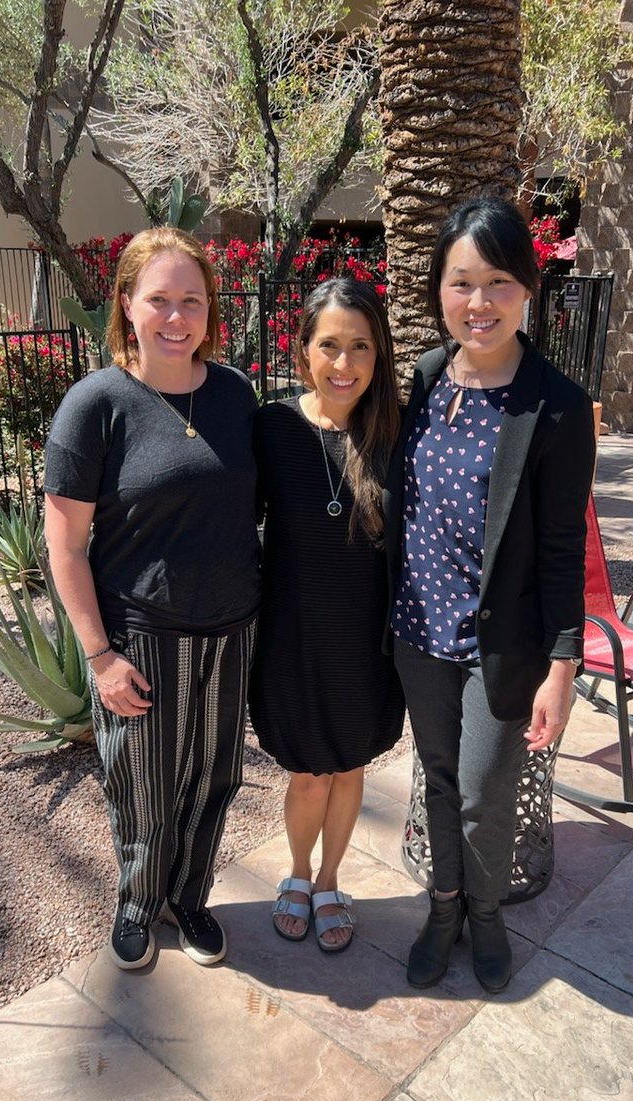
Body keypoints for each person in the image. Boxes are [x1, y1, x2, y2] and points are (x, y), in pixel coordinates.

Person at [383, 197, 595, 992]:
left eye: (498, 281)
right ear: (439, 289)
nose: (479, 303)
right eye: (461, 282)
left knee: (483, 791)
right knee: (436, 777)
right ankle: (444, 910)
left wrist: (564, 666)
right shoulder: (428, 379)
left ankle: (486, 913)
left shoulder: (556, 406)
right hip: (417, 631)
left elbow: (561, 545)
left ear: (528, 288)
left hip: (502, 646)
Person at [43, 227, 261, 971]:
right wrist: (100, 657)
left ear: (209, 310)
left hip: (231, 631)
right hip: (140, 639)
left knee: (214, 780)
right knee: (142, 787)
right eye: (159, 299)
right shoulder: (96, 403)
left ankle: (190, 898)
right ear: (127, 305)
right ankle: (138, 903)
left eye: (191, 300)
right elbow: (65, 547)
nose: (177, 317)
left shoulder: (235, 393)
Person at [250, 277, 405, 953]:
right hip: (293, 639)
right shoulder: (271, 427)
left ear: (380, 354)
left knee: (347, 768)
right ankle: (298, 872)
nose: (345, 364)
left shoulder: (395, 433)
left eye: (361, 347)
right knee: (307, 771)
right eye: (330, 346)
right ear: (303, 350)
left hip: (365, 643)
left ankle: (332, 880)